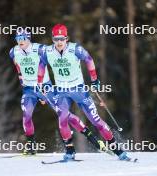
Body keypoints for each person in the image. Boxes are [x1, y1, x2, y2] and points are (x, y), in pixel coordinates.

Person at [38, 24, 131, 161]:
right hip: (62, 91)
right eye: (56, 39)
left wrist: (94, 79)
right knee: (62, 119)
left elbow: (88, 59)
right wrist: (40, 82)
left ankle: (116, 148)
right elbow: (41, 64)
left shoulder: (75, 49)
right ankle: (70, 150)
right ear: (53, 39)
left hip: (79, 90)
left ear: (66, 39)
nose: (59, 42)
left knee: (96, 121)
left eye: (62, 39)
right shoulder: (48, 52)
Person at [9, 27, 106, 155]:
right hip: (29, 89)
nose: (21, 41)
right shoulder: (13, 52)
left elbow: (51, 59)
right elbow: (18, 66)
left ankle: (89, 135)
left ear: (29, 38)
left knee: (64, 115)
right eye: (18, 39)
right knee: (26, 115)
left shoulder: (40, 49)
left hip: (45, 87)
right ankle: (31, 146)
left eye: (23, 38)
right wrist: (21, 79)